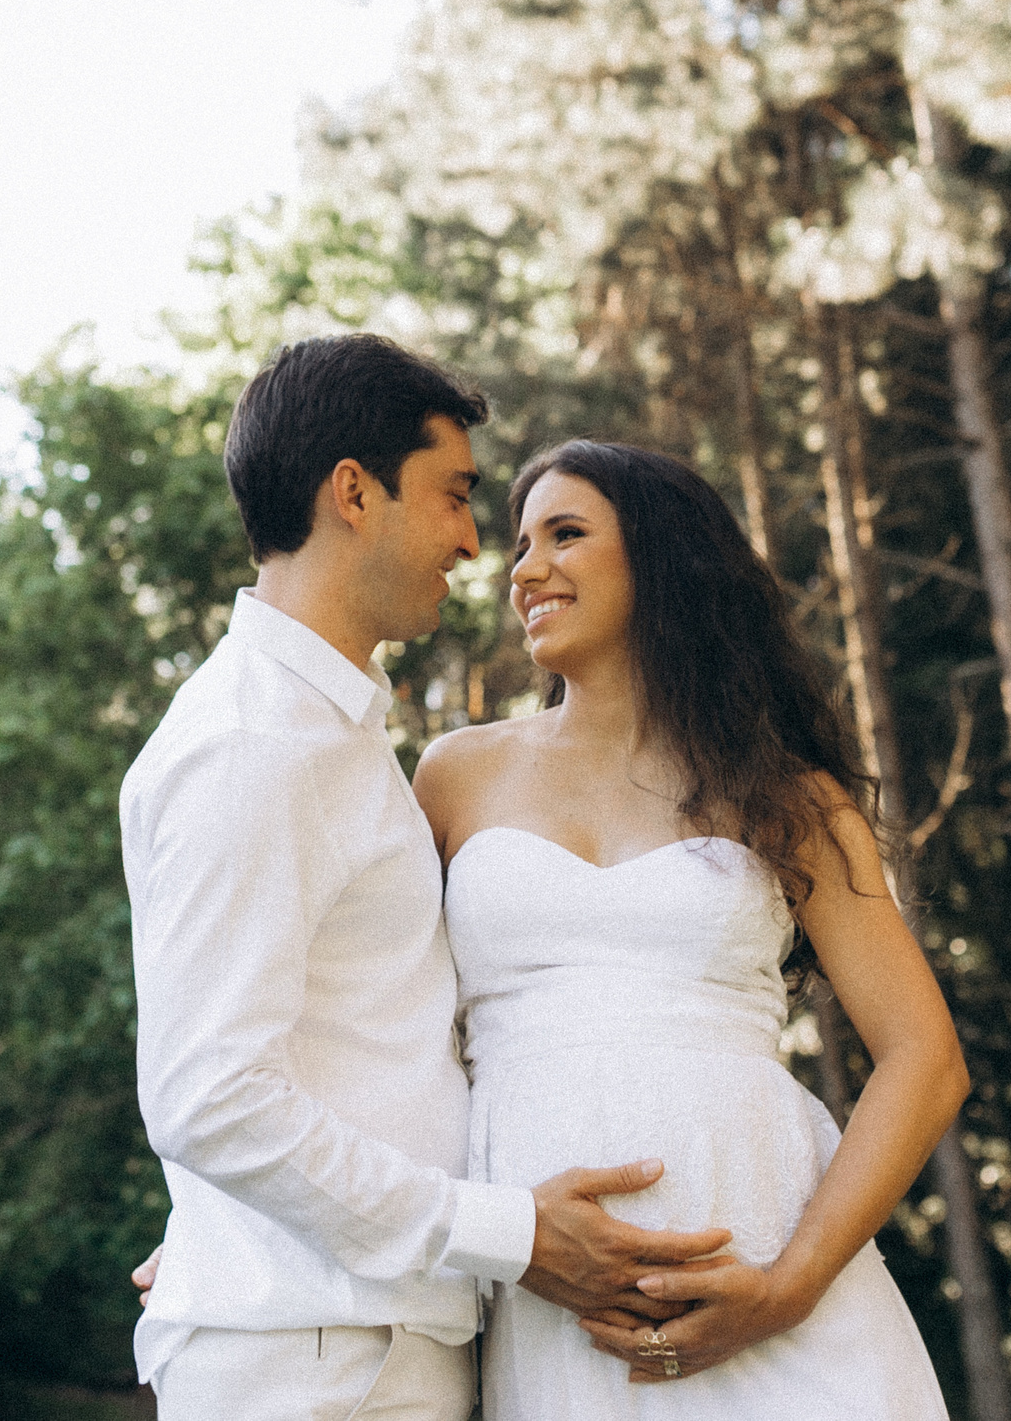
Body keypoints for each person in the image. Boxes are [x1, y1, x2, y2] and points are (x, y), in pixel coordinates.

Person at [122, 338, 735, 1421]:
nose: (472, 540)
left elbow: (372, 1042)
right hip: (317, 1364)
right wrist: (510, 1235)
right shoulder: (252, 743)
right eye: (454, 494)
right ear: (354, 493)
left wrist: (227, 1225)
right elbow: (207, 1095)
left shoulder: (333, 735)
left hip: (360, 1342)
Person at [413, 438, 967, 1415]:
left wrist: (789, 1287)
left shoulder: (787, 795)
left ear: (661, 556)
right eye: (520, 545)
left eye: (565, 534)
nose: (525, 570)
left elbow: (925, 1058)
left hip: (776, 1291)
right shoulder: (456, 774)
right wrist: (249, 1224)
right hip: (559, 1313)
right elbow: (365, 1024)